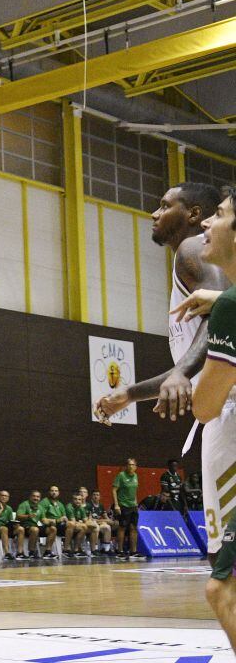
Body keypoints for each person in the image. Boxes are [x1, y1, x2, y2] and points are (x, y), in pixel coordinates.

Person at [96, 184, 226, 451]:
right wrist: (129, 395)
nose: (155, 214)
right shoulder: (190, 260)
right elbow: (194, 367)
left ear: (194, 214)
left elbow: (220, 312)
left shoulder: (191, 248)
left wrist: (180, 372)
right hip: (221, 408)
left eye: (166, 206)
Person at [186, 190, 236, 652]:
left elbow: (205, 407)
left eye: (219, 216)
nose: (206, 224)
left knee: (223, 589)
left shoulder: (231, 308)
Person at [112, 458, 145, 559]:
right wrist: (116, 505)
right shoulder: (121, 475)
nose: (131, 466)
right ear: (126, 466)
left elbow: (134, 491)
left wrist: (136, 504)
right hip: (123, 505)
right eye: (129, 464)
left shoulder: (135, 476)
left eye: (133, 465)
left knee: (133, 528)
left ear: (136, 467)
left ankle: (133, 551)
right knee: (122, 527)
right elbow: (114, 490)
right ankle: (120, 551)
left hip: (133, 506)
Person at [0, 490, 24, 561]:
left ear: (8, 498)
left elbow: (10, 521)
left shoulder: (9, 508)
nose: (4, 497)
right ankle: (7, 553)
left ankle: (20, 553)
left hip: (4, 530)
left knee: (20, 529)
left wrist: (15, 525)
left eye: (6, 496)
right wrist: (1, 510)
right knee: (4, 528)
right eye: (2, 495)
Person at [38, 485, 74, 559]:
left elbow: (64, 517)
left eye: (56, 491)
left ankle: (66, 549)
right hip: (49, 525)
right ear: (49, 492)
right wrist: (57, 520)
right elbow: (43, 519)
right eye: (52, 491)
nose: (54, 492)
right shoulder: (44, 502)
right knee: (53, 528)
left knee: (71, 524)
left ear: (58, 493)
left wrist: (64, 520)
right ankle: (47, 552)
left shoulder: (60, 504)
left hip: (59, 525)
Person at [15, 491, 46, 559]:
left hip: (34, 527)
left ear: (40, 498)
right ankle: (30, 551)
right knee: (35, 529)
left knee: (52, 529)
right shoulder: (24, 504)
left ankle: (48, 552)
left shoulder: (40, 507)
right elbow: (18, 516)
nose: (36, 498)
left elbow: (43, 520)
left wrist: (52, 521)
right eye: (34, 496)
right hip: (23, 526)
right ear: (30, 497)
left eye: (38, 497)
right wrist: (28, 516)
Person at [84, 489, 114, 555]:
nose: (96, 496)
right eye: (94, 495)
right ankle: (95, 548)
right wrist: (103, 521)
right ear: (91, 496)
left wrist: (107, 521)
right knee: (96, 526)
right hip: (91, 525)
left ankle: (106, 549)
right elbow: (90, 520)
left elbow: (107, 518)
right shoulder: (88, 505)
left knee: (107, 527)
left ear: (100, 497)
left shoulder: (101, 506)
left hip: (99, 523)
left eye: (97, 495)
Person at [65, 492, 89, 558]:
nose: (77, 501)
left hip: (76, 526)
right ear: (72, 500)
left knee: (86, 527)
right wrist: (82, 523)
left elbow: (86, 521)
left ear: (82, 500)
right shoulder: (69, 507)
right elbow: (73, 521)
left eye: (79, 499)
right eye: (75, 499)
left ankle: (76, 550)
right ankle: (66, 549)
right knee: (82, 526)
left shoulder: (81, 508)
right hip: (66, 527)